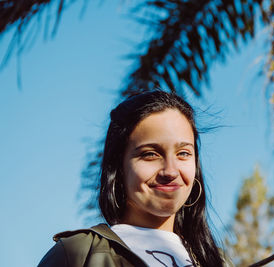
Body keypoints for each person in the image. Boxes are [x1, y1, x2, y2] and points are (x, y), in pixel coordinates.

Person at [38, 90, 226, 267]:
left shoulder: (217, 261)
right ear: (118, 166)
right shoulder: (77, 254)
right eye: (150, 154)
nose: (170, 171)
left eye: (183, 153)